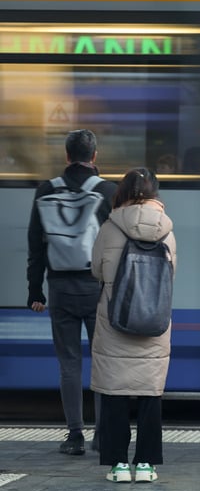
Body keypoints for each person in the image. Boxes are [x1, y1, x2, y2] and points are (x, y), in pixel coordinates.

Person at [27, 129, 118, 455]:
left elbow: (36, 245)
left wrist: (35, 291)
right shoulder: (107, 191)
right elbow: (117, 244)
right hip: (97, 288)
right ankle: (103, 435)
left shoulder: (46, 190)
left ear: (67, 156)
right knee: (103, 362)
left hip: (60, 287)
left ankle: (75, 435)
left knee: (69, 363)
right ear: (94, 156)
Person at [90, 168, 176, 483]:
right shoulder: (167, 231)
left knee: (114, 394)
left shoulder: (110, 227)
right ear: (155, 194)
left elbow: (97, 270)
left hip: (115, 320)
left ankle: (118, 466)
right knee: (150, 395)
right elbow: (171, 274)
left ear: (122, 192)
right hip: (154, 319)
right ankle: (146, 465)